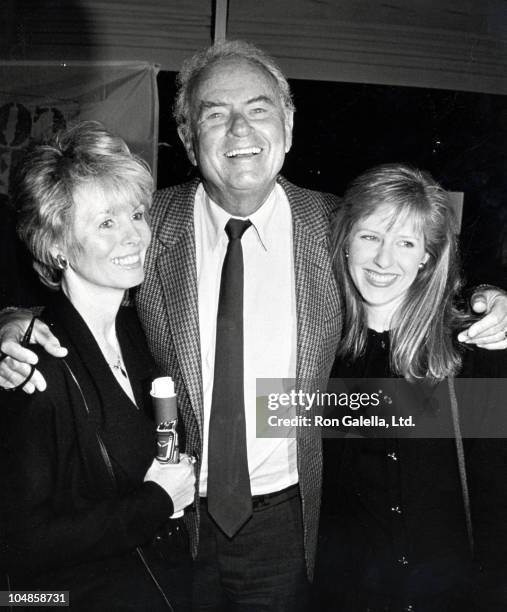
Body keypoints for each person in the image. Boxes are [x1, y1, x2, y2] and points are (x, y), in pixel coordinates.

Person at [0, 41, 506, 611]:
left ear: (288, 125)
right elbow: (65, 272)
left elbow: (415, 271)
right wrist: (14, 323)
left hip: (291, 526)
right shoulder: (145, 227)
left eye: (259, 108)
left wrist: (493, 299)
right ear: (190, 139)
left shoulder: (336, 225)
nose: (240, 129)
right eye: (215, 114)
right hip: (170, 527)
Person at [0, 122, 196, 611]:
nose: (135, 235)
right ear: (57, 245)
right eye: (106, 222)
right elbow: (20, 544)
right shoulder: (32, 366)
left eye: (136, 213)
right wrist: (156, 501)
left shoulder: (135, 328)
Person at [314, 163, 507, 611]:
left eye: (405, 242)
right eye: (370, 236)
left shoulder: (473, 353)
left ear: (426, 256)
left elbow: (500, 505)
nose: (384, 260)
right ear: (345, 241)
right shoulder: (321, 356)